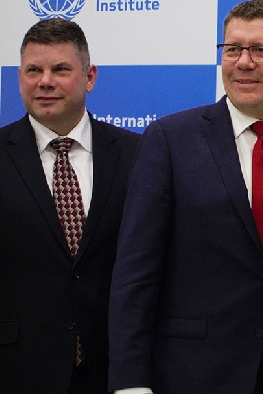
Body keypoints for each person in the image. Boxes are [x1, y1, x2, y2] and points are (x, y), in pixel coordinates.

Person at [107, 1, 263, 393]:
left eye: (261, 50)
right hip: (194, 375)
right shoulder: (170, 140)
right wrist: (130, 383)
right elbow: (136, 272)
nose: (243, 62)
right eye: (232, 49)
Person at [0, 18, 139, 393]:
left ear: (90, 77)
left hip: (114, 369)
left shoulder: (138, 155)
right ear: (19, 77)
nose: (45, 81)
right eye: (33, 70)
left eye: (60, 69)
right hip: (17, 369)